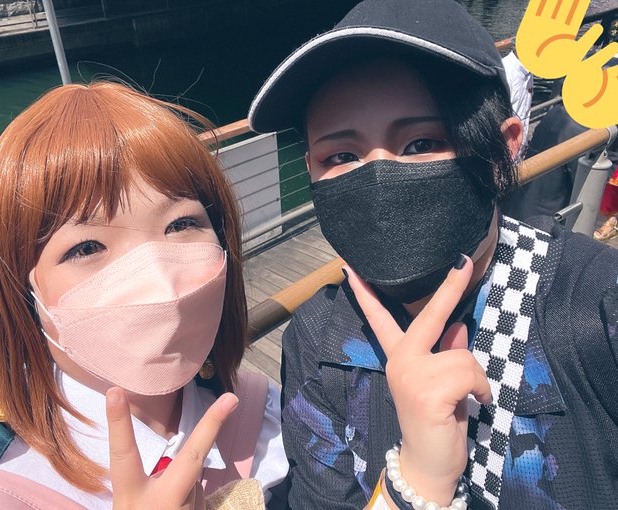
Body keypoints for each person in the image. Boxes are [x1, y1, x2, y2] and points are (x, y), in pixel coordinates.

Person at [249, 1, 618, 509]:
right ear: (311, 168)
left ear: (504, 149)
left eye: (421, 143)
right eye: (342, 156)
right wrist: (419, 484)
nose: (379, 178)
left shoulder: (596, 306)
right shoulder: (314, 341)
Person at [0, 82, 288, 508]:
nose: (159, 282)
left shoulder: (265, 411)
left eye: (181, 224)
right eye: (86, 247)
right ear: (21, 291)